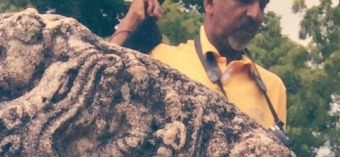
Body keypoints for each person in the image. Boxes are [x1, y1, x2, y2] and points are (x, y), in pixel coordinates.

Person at [111, 0, 288, 136]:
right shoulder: (160, 58)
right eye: (244, 0)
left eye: (263, 5)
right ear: (209, 3)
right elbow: (101, 91)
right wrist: (131, 20)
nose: (255, 14)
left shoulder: (273, 88)